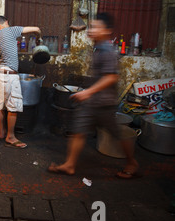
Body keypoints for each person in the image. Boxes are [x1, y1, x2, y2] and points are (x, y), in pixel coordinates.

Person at [48, 12, 139, 179]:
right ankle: (69, 165)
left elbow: (111, 77)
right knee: (79, 131)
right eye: (92, 26)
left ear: (107, 31)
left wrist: (87, 92)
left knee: (116, 134)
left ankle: (132, 162)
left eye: (96, 27)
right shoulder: (97, 48)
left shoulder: (108, 51)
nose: (92, 30)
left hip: (104, 104)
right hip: (92, 102)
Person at [0, 16, 41, 148]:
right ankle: (10, 137)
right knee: (13, 107)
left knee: (0, 106)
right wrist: (39, 38)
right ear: (6, 23)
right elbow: (37, 29)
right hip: (10, 75)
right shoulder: (11, 30)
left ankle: (2, 132)